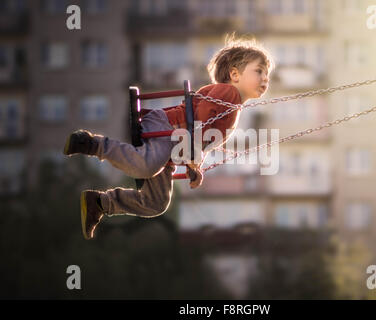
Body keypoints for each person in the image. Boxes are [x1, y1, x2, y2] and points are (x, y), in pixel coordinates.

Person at [63, 33, 274, 240]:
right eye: (259, 71)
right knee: (146, 165)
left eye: (267, 74)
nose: (265, 78)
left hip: (172, 147)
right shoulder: (228, 93)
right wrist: (194, 155)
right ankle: (91, 144)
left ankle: (99, 203)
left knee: (156, 203)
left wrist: (194, 166)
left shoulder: (234, 107)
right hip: (165, 126)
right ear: (235, 74)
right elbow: (200, 121)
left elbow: (202, 139)